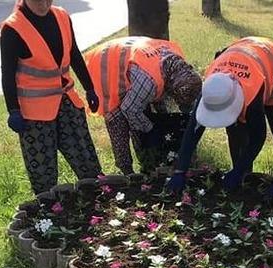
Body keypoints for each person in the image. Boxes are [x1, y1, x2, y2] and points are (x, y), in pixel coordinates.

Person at [166, 37, 273, 195]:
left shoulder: (252, 95)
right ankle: (244, 177)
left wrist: (238, 169)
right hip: (243, 53)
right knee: (235, 132)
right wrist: (180, 170)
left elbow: (258, 137)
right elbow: (192, 130)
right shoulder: (212, 90)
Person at [0, 0, 102, 194]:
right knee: (43, 175)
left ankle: (97, 204)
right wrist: (13, 109)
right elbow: (8, 74)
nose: (44, 4)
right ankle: (48, 214)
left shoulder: (62, 16)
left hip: (67, 102)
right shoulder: (12, 28)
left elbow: (74, 54)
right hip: (34, 114)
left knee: (87, 163)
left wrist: (89, 88)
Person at [86, 36, 201, 175]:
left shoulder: (178, 66)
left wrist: (161, 119)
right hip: (106, 66)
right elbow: (129, 109)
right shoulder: (148, 81)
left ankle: (146, 163)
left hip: (134, 63)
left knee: (142, 119)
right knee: (119, 123)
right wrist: (151, 129)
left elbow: (159, 94)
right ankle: (127, 171)